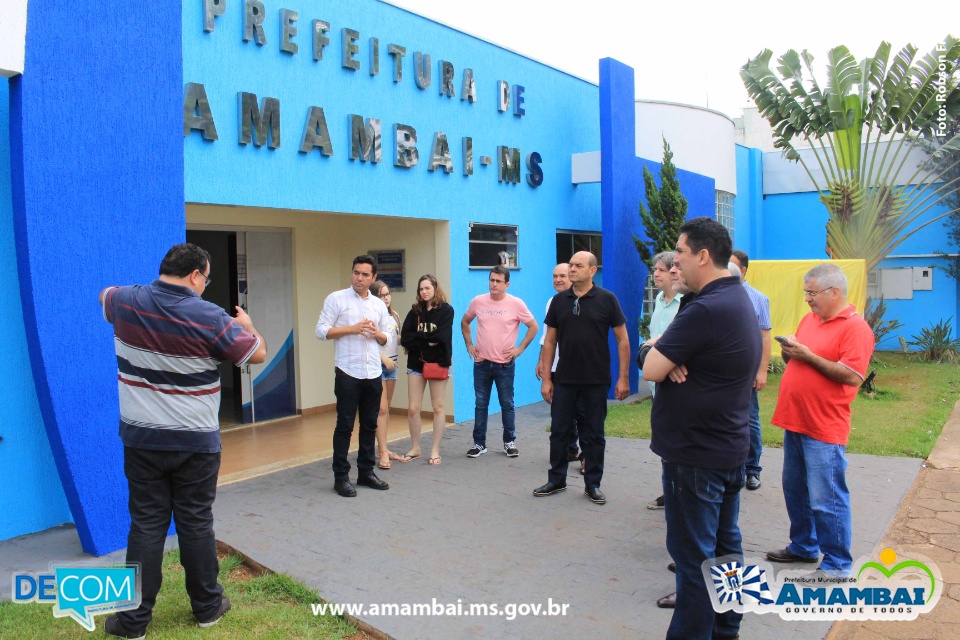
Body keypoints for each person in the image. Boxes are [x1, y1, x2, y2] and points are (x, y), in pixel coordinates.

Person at [99, 243, 266, 639]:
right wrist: (249, 327)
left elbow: (103, 295)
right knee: (195, 523)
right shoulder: (212, 317)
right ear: (195, 276)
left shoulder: (125, 301)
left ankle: (132, 622)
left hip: (142, 441)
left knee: (145, 525)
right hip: (195, 444)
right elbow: (256, 356)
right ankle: (208, 608)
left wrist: (139, 296)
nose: (205, 287)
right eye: (206, 280)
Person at [642, 217, 760, 640]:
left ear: (703, 256)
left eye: (680, 255)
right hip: (727, 449)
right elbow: (660, 361)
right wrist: (662, 353)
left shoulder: (707, 308)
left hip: (695, 457)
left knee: (694, 562)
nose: (675, 264)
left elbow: (652, 368)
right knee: (728, 553)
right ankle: (728, 630)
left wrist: (658, 351)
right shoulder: (737, 298)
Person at [766, 263, 874, 575]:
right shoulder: (810, 319)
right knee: (796, 490)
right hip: (796, 420)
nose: (808, 300)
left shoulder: (855, 328)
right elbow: (798, 360)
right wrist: (790, 351)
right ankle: (804, 546)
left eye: (812, 293)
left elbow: (852, 376)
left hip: (824, 427)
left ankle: (838, 565)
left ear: (835, 292)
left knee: (827, 499)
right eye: (806, 293)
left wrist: (808, 356)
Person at [534, 251, 630, 505]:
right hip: (564, 378)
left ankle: (593, 484)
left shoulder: (607, 300)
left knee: (594, 434)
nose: (572, 269)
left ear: (592, 270)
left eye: (578, 265)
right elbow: (550, 341)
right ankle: (556, 479)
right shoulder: (559, 301)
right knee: (559, 431)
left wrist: (623, 377)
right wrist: (546, 379)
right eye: (571, 265)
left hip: (596, 380)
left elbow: (623, 339)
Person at [316, 255, 393, 497]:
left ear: (373, 278)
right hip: (348, 371)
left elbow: (387, 337)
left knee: (370, 424)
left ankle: (366, 472)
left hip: (372, 372)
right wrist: (352, 329)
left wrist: (377, 334)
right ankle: (341, 477)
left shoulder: (378, 305)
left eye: (364, 274)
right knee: (345, 425)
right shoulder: (337, 299)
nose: (359, 278)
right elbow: (321, 331)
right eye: (356, 273)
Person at [461, 266, 538, 458]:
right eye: (491, 280)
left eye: (498, 281)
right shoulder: (478, 301)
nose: (494, 284)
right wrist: (469, 344)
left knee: (507, 403)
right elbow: (465, 321)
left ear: (507, 284)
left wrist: (519, 349)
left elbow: (533, 327)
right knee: (480, 404)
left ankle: (509, 442)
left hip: (504, 364)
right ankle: (479, 444)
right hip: (481, 363)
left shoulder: (516, 304)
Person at [644, 251, 684, 509]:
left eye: (660, 269)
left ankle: (680, 493)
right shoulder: (659, 298)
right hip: (657, 386)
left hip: (677, 385)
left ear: (673, 272)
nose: (655, 274)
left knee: (679, 442)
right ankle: (669, 491)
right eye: (654, 269)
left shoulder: (686, 302)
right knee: (664, 443)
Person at [535, 263, 585, 471]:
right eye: (554, 276)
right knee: (561, 412)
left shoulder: (583, 301)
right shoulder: (552, 302)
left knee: (582, 414)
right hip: (556, 367)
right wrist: (542, 362)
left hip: (580, 368)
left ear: (572, 276)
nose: (558, 280)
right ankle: (570, 449)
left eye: (562, 276)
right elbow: (547, 337)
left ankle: (586, 455)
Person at [400, 274, 454, 465]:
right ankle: (415, 448)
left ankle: (435, 450)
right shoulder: (415, 311)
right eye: (421, 289)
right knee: (414, 408)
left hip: (438, 363)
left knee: (438, 407)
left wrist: (418, 338)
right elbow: (405, 337)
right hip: (416, 363)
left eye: (427, 288)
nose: (424, 292)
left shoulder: (446, 310)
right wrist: (425, 339)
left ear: (435, 288)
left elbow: (441, 336)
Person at [730, 249, 772, 491]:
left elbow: (765, 337)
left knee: (750, 419)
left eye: (732, 265)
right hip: (722, 374)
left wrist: (761, 371)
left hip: (747, 373)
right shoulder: (714, 294)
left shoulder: (757, 298)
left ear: (743, 270)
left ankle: (752, 469)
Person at [369, 280, 409, 469]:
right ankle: (383, 451)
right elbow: (365, 344)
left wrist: (410, 341)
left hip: (392, 365)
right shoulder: (371, 318)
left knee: (386, 409)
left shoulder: (394, 316)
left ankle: (381, 447)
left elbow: (395, 338)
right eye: (381, 295)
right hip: (377, 366)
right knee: (381, 409)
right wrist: (382, 357)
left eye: (387, 294)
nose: (385, 298)